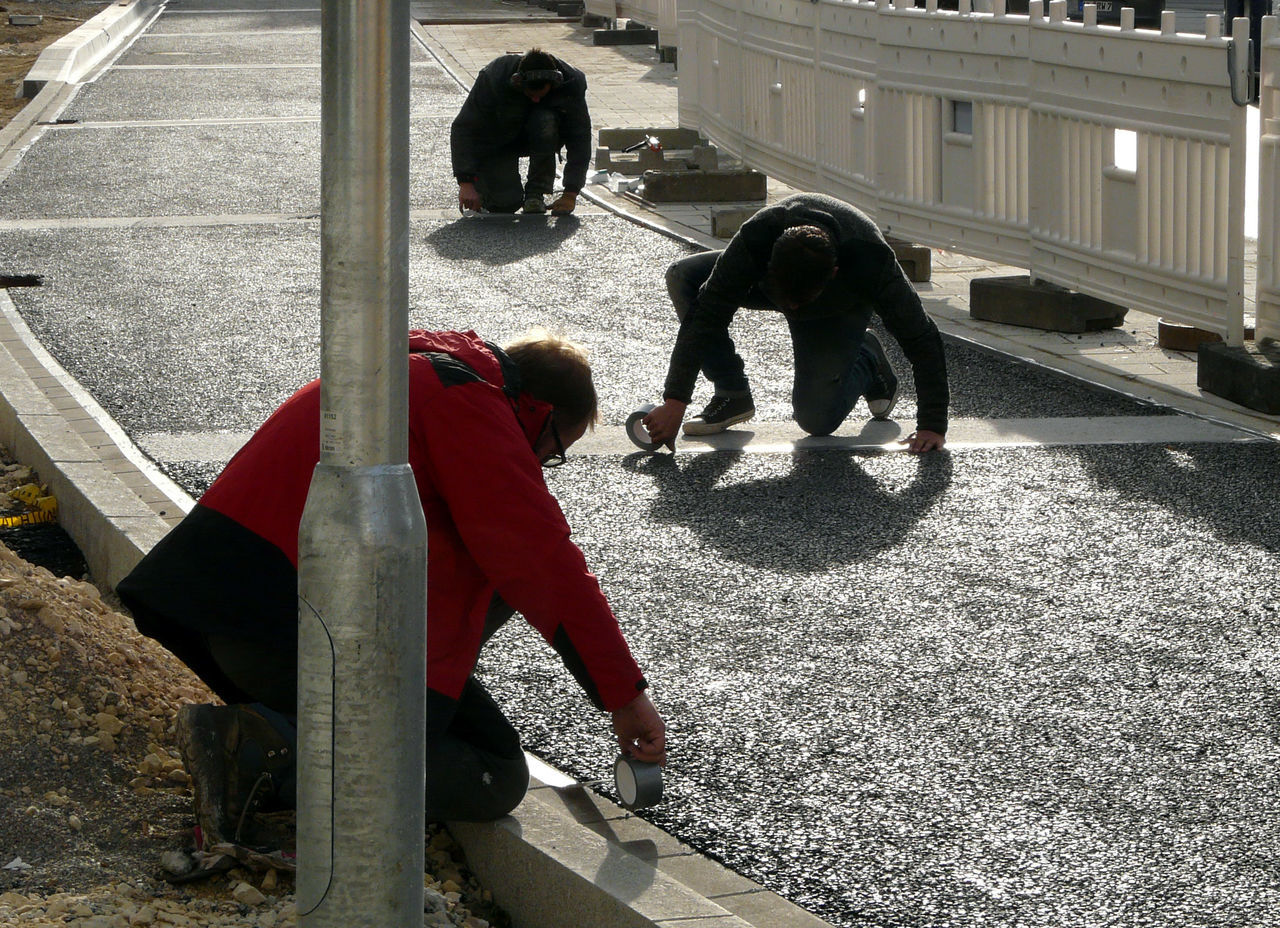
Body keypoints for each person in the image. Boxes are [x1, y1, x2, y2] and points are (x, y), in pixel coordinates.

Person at [117, 329, 666, 846]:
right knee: (493, 775)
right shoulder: (469, 408)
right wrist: (625, 697)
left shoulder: (405, 375)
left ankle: (280, 729)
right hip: (293, 640)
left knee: (486, 686)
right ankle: (268, 753)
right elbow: (544, 563)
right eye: (550, 450)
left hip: (234, 617)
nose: (541, 466)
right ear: (539, 412)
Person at [643, 193, 950, 453]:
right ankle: (731, 393)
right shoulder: (760, 235)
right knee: (684, 277)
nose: (789, 310)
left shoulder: (870, 259)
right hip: (773, 284)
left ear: (832, 273)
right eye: (785, 302)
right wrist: (675, 401)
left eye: (796, 304)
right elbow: (707, 312)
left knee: (816, 421)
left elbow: (922, 337)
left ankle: (867, 360)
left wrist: (932, 426)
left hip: (837, 307)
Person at [451, 47, 591, 216]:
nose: (536, 99)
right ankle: (489, 190)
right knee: (504, 204)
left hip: (541, 137)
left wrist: (571, 193)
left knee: (545, 119)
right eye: (531, 95)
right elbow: (464, 128)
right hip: (497, 141)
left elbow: (580, 137)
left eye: (541, 95)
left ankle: (536, 194)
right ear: (518, 82)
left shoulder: (571, 83)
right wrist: (466, 183)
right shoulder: (494, 78)